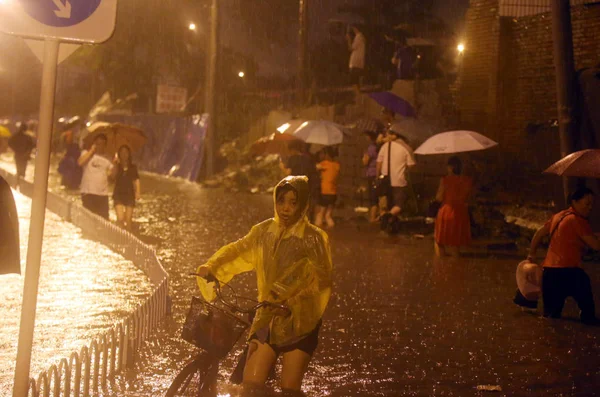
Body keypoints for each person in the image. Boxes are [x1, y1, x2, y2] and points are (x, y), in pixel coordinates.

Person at [195, 176, 333, 395]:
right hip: (267, 316)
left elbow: (322, 281)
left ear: (303, 204)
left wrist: (291, 303)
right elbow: (238, 249)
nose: (286, 208)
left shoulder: (314, 238)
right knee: (250, 387)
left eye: (293, 202)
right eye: (281, 201)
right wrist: (212, 266)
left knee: (290, 389)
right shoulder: (263, 232)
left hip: (300, 323)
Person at [527, 187, 600, 325]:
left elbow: (539, 234)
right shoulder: (578, 220)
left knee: (550, 319)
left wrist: (531, 253)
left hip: (549, 273)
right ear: (575, 202)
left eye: (592, 204)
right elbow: (596, 246)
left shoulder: (559, 216)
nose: (590, 208)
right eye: (587, 203)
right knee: (588, 317)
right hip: (570, 273)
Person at [376, 126, 416, 226]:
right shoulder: (406, 148)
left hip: (385, 179)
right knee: (399, 205)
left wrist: (377, 177)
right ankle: (387, 218)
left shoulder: (385, 146)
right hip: (399, 181)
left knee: (385, 204)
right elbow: (411, 165)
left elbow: (379, 163)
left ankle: (385, 220)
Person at [434, 157, 473, 257]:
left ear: (450, 167)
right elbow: (470, 198)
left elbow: (438, 198)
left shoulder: (445, 180)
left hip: (446, 211)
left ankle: (440, 267)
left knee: (439, 242)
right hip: (461, 214)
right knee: (455, 245)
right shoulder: (468, 180)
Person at [280, 140, 319, 220]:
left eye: (290, 150)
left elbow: (288, 172)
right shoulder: (308, 159)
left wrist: (282, 167)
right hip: (307, 187)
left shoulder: (293, 159)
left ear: (293, 149)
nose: (289, 152)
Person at [78, 134, 113, 219]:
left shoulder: (108, 158)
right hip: (88, 192)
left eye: (102, 144)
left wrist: (115, 163)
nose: (99, 146)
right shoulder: (86, 153)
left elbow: (112, 177)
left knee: (104, 220)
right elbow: (80, 163)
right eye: (97, 143)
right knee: (88, 219)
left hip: (102, 194)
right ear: (94, 144)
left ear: (105, 145)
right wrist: (91, 151)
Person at [111, 145, 140, 230]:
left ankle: (129, 235)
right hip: (118, 194)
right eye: (122, 152)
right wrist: (114, 164)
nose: (124, 154)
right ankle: (120, 235)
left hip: (129, 194)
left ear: (129, 154)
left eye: (126, 152)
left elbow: (136, 179)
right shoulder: (117, 166)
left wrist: (138, 191)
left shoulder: (133, 167)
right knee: (120, 218)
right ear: (119, 154)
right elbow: (112, 177)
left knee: (128, 219)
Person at [315, 147, 341, 228]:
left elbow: (315, 167)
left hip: (325, 192)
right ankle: (331, 230)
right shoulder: (337, 165)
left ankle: (318, 232)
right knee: (328, 216)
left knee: (320, 215)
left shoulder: (325, 163)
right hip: (333, 194)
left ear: (327, 155)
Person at [7, 123, 35, 187]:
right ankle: (20, 184)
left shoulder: (16, 136)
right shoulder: (27, 137)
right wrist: (27, 152)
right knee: (23, 170)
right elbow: (32, 146)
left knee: (19, 169)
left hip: (18, 155)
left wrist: (15, 149)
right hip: (24, 156)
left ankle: (18, 183)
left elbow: (9, 142)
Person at [362, 131, 379, 222]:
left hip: (372, 174)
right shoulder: (378, 147)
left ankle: (372, 218)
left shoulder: (371, 148)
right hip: (377, 174)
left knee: (373, 197)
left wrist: (365, 155)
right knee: (375, 196)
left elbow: (365, 162)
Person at [346, 25, 366, 97]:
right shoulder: (362, 37)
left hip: (355, 63)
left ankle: (358, 96)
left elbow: (351, 48)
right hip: (359, 63)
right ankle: (359, 96)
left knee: (353, 81)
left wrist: (348, 39)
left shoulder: (358, 37)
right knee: (356, 81)